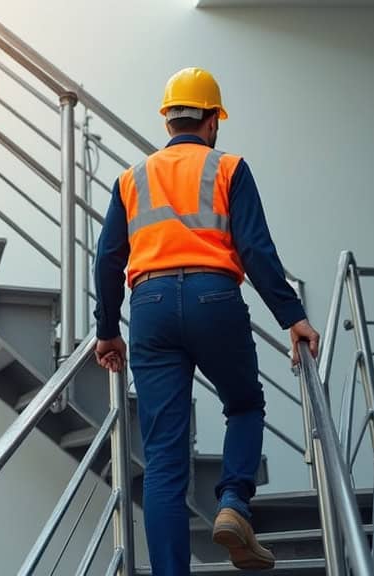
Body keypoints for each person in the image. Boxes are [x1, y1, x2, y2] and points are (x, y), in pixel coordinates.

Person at [93, 67, 320, 574]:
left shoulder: (131, 179)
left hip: (148, 306)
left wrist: (108, 331)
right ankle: (235, 502)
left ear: (168, 120)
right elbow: (256, 251)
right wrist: (293, 317)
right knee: (243, 404)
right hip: (213, 297)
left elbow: (108, 258)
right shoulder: (229, 168)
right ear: (213, 120)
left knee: (164, 462)